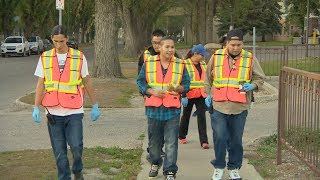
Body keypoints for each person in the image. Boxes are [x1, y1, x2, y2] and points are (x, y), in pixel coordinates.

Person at [32, 25, 101, 180]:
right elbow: (40, 84)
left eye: (61, 41)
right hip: (53, 112)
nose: (58, 45)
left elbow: (87, 81)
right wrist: (36, 107)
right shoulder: (45, 57)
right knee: (59, 151)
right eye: (55, 41)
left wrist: (95, 104)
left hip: (74, 111)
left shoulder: (79, 57)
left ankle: (77, 170)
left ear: (67, 39)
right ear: (52, 39)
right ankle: (64, 177)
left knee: (76, 147)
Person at [204, 29, 265, 180]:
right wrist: (207, 95)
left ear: (243, 44)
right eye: (232, 44)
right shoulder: (216, 57)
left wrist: (254, 85)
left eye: (239, 44)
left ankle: (234, 168)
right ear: (226, 44)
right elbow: (207, 78)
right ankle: (219, 167)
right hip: (218, 105)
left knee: (236, 139)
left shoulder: (250, 58)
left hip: (239, 107)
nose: (236, 48)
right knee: (220, 137)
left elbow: (260, 78)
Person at [137, 36, 190, 180]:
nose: (170, 49)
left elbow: (186, 84)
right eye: (167, 47)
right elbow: (140, 82)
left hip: (172, 109)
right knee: (154, 143)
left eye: (172, 47)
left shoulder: (180, 64)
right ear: (159, 48)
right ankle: (155, 162)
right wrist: (152, 91)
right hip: (154, 109)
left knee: (171, 142)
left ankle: (170, 170)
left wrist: (179, 88)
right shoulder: (149, 63)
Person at [137, 29, 179, 160]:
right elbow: (140, 77)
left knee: (169, 132)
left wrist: (181, 92)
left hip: (171, 101)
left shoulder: (175, 56)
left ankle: (159, 149)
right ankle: (154, 149)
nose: (156, 46)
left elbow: (181, 75)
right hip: (152, 98)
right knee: (153, 128)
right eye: (154, 42)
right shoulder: (146, 56)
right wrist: (145, 92)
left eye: (158, 43)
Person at [178, 44, 210, 149]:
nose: (203, 57)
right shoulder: (185, 63)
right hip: (189, 94)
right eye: (202, 55)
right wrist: (183, 95)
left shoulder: (204, 64)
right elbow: (181, 80)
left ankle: (204, 141)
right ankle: (182, 136)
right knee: (186, 116)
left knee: (202, 116)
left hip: (201, 94)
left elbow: (206, 79)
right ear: (195, 53)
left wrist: (209, 94)